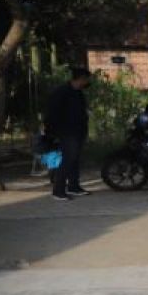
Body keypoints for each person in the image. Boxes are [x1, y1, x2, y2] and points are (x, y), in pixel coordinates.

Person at [44, 67, 92, 201]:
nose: (87, 82)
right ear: (81, 78)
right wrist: (52, 132)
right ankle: (58, 190)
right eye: (86, 79)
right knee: (68, 159)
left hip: (78, 131)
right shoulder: (62, 92)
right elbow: (52, 113)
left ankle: (74, 186)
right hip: (66, 132)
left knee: (75, 159)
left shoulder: (78, 93)